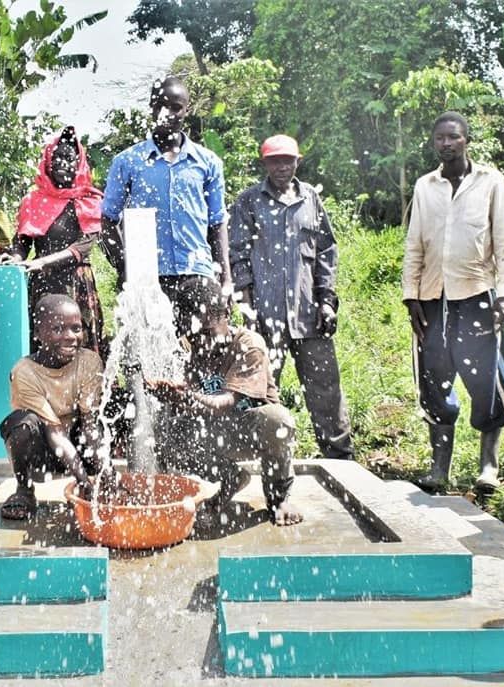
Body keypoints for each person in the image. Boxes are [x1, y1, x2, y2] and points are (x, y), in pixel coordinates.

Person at [402, 112, 504, 493]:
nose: (446, 144)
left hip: (477, 294)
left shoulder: (490, 182)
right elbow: (415, 243)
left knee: (487, 380)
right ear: (433, 142)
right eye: (440, 138)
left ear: (467, 140)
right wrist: (411, 296)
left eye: (453, 137)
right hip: (433, 298)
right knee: (434, 380)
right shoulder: (425, 186)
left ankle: (489, 467)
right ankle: (439, 469)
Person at [229, 134, 354, 461]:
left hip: (309, 313)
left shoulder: (310, 198)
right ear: (265, 163)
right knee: (260, 390)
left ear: (298, 161)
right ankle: (259, 459)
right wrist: (246, 307)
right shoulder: (249, 201)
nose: (281, 167)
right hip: (265, 316)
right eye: (274, 160)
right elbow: (236, 254)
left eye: (287, 160)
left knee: (326, 388)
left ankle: (340, 458)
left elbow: (327, 250)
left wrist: (327, 299)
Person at [147, 276, 301, 527]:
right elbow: (192, 408)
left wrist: (190, 396)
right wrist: (169, 395)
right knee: (164, 433)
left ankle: (278, 498)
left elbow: (227, 401)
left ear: (227, 314)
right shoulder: (188, 348)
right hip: (214, 430)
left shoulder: (248, 344)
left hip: (250, 429)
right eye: (193, 334)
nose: (202, 342)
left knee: (278, 420)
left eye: (208, 332)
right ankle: (229, 477)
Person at [100, 76, 230, 329]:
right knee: (144, 359)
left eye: (175, 107)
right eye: (159, 105)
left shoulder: (208, 162)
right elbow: (107, 220)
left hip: (197, 273)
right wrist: (124, 264)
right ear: (150, 107)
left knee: (206, 355)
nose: (166, 113)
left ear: (186, 110)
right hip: (146, 278)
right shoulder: (127, 162)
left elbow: (217, 223)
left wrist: (225, 278)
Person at [0, 294, 104, 520]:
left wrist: (106, 475)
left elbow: (90, 425)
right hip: (44, 451)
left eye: (76, 328)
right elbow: (54, 432)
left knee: (104, 419)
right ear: (38, 334)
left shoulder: (89, 361)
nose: (70, 337)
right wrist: (83, 481)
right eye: (57, 329)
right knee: (20, 424)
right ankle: (24, 490)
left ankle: (106, 481)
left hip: (79, 446)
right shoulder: (25, 371)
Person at [2, 127, 105, 354]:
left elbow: (84, 246)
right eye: (56, 158)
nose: (62, 163)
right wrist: (15, 257)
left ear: (79, 164)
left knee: (78, 342)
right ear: (48, 162)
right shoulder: (34, 200)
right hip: (44, 283)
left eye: (69, 158)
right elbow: (23, 241)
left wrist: (42, 262)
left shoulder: (89, 201)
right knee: (45, 342)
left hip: (76, 281)